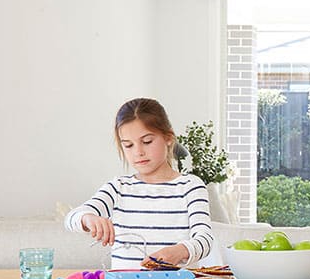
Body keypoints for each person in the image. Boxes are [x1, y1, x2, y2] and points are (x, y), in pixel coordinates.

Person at [65, 98, 214, 269]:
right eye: (128, 145)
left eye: (147, 141)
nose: (138, 152)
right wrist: (87, 218)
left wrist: (180, 251)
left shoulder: (190, 186)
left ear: (168, 138)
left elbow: (204, 239)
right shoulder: (118, 188)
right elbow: (71, 218)